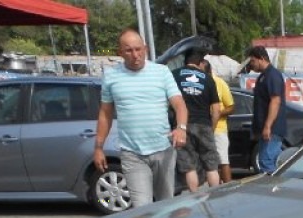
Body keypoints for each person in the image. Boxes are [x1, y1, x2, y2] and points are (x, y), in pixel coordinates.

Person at [94, 29, 188, 207]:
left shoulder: (162, 72)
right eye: (129, 50)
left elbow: (179, 104)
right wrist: (98, 147)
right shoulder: (111, 76)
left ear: (146, 49)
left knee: (166, 205)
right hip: (132, 153)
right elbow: (105, 114)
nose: (135, 55)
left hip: (163, 149)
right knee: (141, 208)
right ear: (120, 52)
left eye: (138, 49)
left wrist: (181, 128)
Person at [173, 49, 221, 192]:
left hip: (182, 126)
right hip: (204, 124)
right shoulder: (208, 78)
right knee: (211, 166)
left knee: (189, 166)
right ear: (200, 63)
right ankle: (215, 196)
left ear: (185, 61)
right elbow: (216, 110)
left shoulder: (174, 75)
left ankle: (194, 197)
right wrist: (211, 129)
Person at [246, 45, 287, 174]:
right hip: (266, 129)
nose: (251, 65)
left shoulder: (272, 75)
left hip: (273, 129)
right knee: (278, 162)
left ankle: (271, 191)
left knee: (266, 162)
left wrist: (268, 126)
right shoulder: (263, 76)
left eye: (253, 61)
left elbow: (275, 100)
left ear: (261, 59)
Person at [206, 60, 235, 182]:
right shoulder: (199, 82)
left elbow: (231, 107)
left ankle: (229, 188)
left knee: (223, 161)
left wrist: (216, 114)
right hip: (203, 129)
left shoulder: (219, 83)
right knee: (210, 163)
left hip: (219, 129)